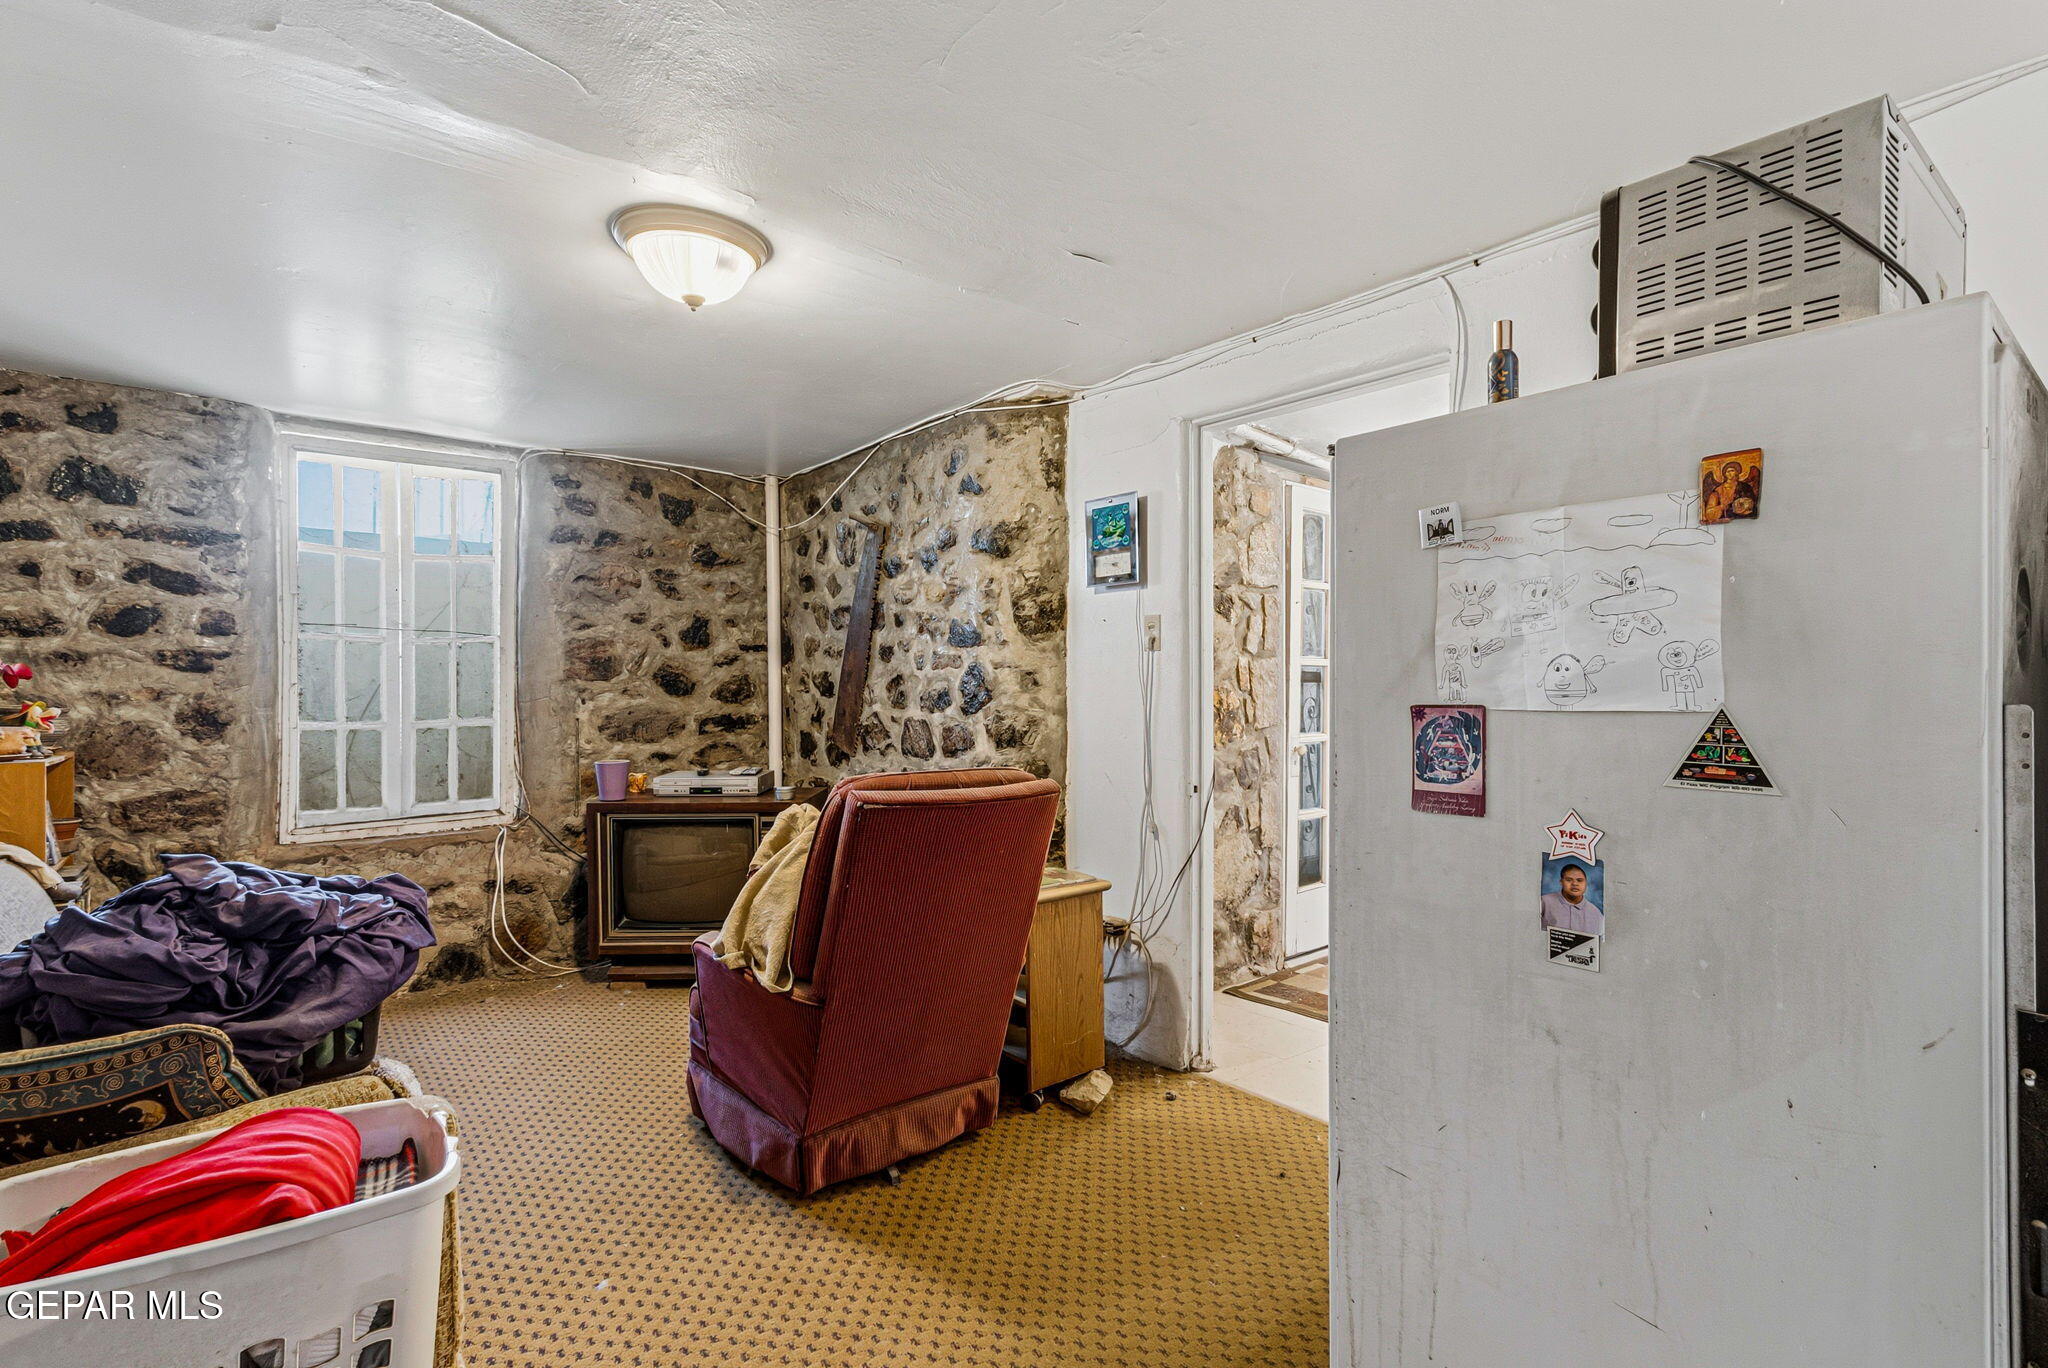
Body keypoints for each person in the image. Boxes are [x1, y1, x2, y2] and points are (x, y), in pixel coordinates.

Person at [1541, 861, 1603, 935]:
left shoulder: (1596, 913)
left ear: (1586, 883)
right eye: (1569, 880)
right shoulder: (1544, 902)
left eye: (1579, 880)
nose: (1575, 884)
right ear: (1561, 882)